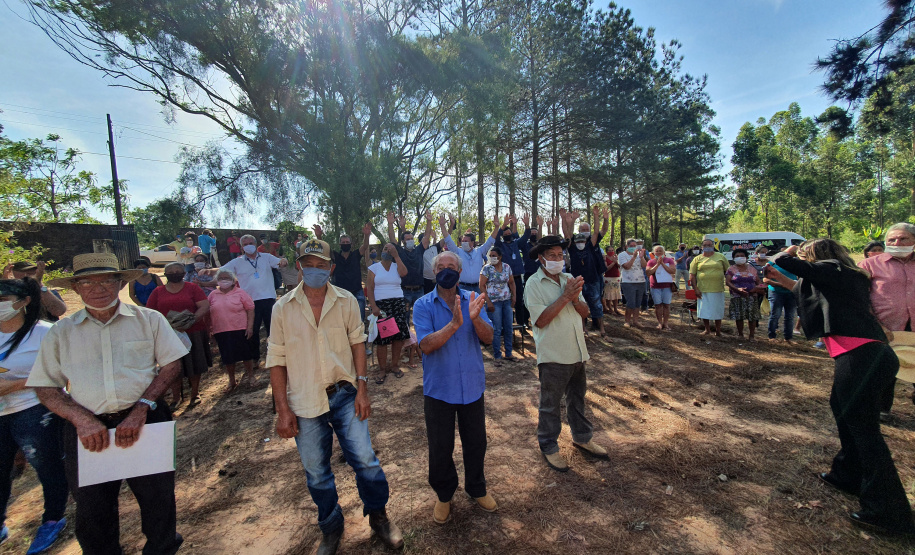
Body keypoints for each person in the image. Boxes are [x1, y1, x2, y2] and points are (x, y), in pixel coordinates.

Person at [27, 252, 188, 555]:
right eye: (88, 282)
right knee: (92, 510)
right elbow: (46, 387)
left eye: (106, 281)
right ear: (76, 288)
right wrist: (81, 420)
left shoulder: (148, 320)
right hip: (88, 428)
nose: (98, 289)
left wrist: (141, 408)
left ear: (119, 283)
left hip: (145, 419)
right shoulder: (62, 332)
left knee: (159, 501)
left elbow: (171, 366)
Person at [766, 240, 915, 536]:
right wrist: (783, 280)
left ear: (817, 256)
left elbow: (789, 262)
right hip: (869, 355)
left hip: (861, 356)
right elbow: (809, 291)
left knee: (865, 430)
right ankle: (848, 474)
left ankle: (889, 512)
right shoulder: (845, 275)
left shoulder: (831, 268)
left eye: (809, 254)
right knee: (843, 410)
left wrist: (788, 252)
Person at [268, 239, 402, 554]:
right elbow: (276, 360)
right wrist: (282, 410)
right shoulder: (282, 308)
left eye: (321, 265)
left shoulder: (345, 302)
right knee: (316, 471)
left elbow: (358, 344)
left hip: (345, 396)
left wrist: (363, 389)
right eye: (308, 264)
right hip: (304, 401)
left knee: (366, 462)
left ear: (332, 267)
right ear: (298, 266)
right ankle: (331, 527)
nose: (315, 270)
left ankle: (379, 517)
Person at [413, 251, 496, 524]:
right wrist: (455, 324)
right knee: (440, 446)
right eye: (440, 267)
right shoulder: (422, 305)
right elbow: (425, 345)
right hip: (439, 389)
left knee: (476, 443)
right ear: (434, 271)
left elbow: (489, 338)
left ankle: (477, 488)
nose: (445, 270)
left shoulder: (473, 299)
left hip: (472, 386)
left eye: (451, 266)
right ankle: (444, 496)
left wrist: (474, 319)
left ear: (460, 272)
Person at [524, 235, 608, 472]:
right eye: (552, 256)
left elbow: (584, 312)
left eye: (561, 255)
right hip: (553, 355)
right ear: (541, 259)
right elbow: (541, 320)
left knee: (578, 399)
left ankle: (582, 437)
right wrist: (565, 296)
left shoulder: (569, 278)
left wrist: (574, 296)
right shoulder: (533, 284)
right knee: (550, 405)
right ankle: (549, 447)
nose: (558, 259)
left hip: (577, 352)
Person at [0, 278, 68, 553]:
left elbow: (63, 373)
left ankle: (52, 519)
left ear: (24, 302)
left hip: (35, 410)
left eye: (3, 300)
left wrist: (13, 385)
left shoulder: (45, 334)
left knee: (48, 467)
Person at [859, 222, 915, 415]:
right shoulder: (869, 265)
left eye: (903, 238)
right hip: (884, 328)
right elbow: (859, 297)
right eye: (892, 239)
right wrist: (876, 324)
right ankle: (882, 410)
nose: (897, 242)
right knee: (884, 371)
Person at [146, 262, 212, 406]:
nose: (175, 273)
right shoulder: (158, 291)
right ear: (166, 274)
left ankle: (195, 393)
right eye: (171, 271)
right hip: (168, 335)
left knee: (195, 363)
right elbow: (150, 312)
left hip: (193, 331)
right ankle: (176, 398)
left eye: (178, 270)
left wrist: (191, 320)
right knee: (171, 366)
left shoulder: (192, 288)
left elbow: (204, 305)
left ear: (183, 273)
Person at [220, 234, 289, 364]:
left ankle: (277, 356)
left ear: (256, 244)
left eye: (251, 243)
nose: (248, 246)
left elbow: (279, 263)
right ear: (241, 247)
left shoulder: (266, 257)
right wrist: (207, 271)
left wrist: (283, 261)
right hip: (250, 302)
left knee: (273, 329)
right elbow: (222, 270)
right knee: (253, 330)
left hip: (268, 298)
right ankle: (255, 357)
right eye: (245, 244)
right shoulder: (237, 261)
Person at [366, 243, 410, 383]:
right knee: (382, 340)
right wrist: (373, 306)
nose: (388, 251)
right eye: (385, 248)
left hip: (397, 303)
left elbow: (404, 274)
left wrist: (396, 256)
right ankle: (382, 369)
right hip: (381, 306)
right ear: (381, 251)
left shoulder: (397, 265)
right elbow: (370, 288)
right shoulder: (374, 268)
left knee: (398, 338)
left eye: (391, 249)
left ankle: (395, 366)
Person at [563, 207, 610, 337]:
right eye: (578, 239)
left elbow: (596, 231)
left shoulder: (591, 245)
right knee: (579, 305)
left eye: (583, 239)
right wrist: (569, 221)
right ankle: (583, 329)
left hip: (593, 279)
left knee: (597, 305)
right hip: (578, 282)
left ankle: (601, 329)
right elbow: (567, 234)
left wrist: (597, 216)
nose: (581, 241)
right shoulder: (572, 248)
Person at [208, 269, 255, 391]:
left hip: (240, 328)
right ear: (217, 280)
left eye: (226, 278)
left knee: (246, 354)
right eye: (221, 278)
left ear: (233, 280)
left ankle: (251, 375)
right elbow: (208, 313)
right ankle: (232, 380)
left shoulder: (240, 292)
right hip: (221, 330)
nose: (224, 280)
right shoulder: (213, 295)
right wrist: (210, 330)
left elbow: (250, 309)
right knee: (227, 357)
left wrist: (250, 327)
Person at [313, 222, 371, 319]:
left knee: (359, 319)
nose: (345, 244)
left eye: (347, 242)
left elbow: (364, 246)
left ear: (351, 244)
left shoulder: (356, 255)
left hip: (356, 291)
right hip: (338, 293)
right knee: (339, 320)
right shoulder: (335, 256)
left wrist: (366, 235)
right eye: (343, 242)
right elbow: (325, 249)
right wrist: (319, 236)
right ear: (340, 244)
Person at [438, 212, 501, 293]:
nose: (463, 243)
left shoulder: (480, 251)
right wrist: (442, 226)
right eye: (462, 241)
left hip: (478, 287)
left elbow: (490, 241)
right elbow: (448, 240)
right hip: (463, 287)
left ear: (472, 242)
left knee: (479, 306)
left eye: (466, 241)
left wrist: (496, 227)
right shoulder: (458, 251)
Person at [387, 211, 433, 308]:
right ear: (403, 241)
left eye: (411, 238)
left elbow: (427, 236)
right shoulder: (400, 251)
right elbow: (392, 238)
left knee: (421, 316)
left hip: (419, 290)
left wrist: (429, 221)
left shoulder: (419, 250)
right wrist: (390, 224)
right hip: (405, 291)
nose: (410, 240)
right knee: (405, 318)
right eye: (408, 239)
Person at [479, 246, 516, 365]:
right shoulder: (486, 269)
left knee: (508, 327)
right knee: (497, 329)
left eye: (494, 255)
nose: (492, 258)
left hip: (506, 301)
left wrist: (514, 296)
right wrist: (488, 301)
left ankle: (509, 353)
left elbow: (511, 282)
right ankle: (497, 355)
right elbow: (481, 286)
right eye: (490, 256)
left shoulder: (506, 267)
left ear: (500, 257)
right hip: (494, 302)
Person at [689, 239, 729, 337]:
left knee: (717, 310)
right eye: (705, 245)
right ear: (702, 247)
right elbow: (692, 275)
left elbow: (728, 272)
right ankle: (707, 329)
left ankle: (718, 330)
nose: (707, 246)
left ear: (713, 246)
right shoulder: (697, 259)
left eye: (710, 245)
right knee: (704, 310)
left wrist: (729, 283)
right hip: (702, 288)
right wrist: (696, 289)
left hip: (717, 288)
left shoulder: (721, 257)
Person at [726, 248, 764, 340]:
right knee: (739, 316)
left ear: (746, 257)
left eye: (742, 256)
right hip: (737, 296)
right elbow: (728, 282)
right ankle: (740, 334)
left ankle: (751, 335)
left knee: (752, 316)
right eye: (737, 256)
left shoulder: (752, 269)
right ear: (733, 258)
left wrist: (757, 288)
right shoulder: (731, 269)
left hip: (752, 296)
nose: (740, 258)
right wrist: (737, 289)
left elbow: (759, 281)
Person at [764, 247, 799, 344]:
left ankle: (788, 338)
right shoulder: (773, 262)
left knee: (790, 316)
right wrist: (781, 284)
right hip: (776, 292)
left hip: (791, 292)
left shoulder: (795, 262)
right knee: (775, 314)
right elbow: (765, 278)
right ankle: (772, 336)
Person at [617, 239, 647, 328]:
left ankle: (635, 321)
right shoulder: (622, 255)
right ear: (626, 246)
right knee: (631, 302)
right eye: (631, 246)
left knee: (638, 303)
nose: (633, 247)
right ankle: (627, 321)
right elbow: (626, 267)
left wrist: (641, 257)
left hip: (640, 281)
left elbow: (644, 265)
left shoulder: (639, 255)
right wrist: (633, 257)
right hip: (628, 282)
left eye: (635, 246)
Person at [646, 245, 675, 331]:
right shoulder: (651, 262)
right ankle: (659, 323)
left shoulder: (669, 260)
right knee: (658, 305)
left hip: (667, 286)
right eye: (657, 251)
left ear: (664, 252)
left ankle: (665, 323)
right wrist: (657, 264)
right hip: (655, 286)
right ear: (654, 253)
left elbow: (673, 271)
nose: (658, 252)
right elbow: (649, 272)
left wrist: (662, 263)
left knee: (666, 305)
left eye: (660, 251)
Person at [602, 247, 622, 316]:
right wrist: (613, 262)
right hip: (608, 278)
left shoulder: (615, 257)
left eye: (612, 250)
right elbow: (606, 269)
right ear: (606, 251)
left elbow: (619, 266)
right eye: (609, 250)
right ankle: (610, 309)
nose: (611, 251)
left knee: (616, 295)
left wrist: (616, 261)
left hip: (616, 278)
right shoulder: (605, 258)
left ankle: (616, 309)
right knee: (609, 295)